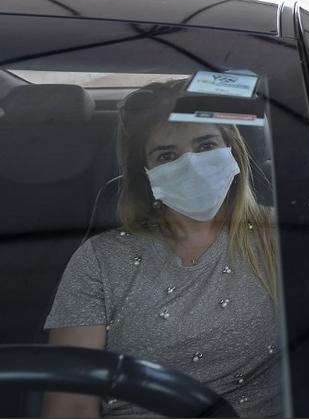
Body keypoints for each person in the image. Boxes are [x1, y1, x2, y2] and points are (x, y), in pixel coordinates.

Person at [43, 79, 281, 417]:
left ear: (232, 150)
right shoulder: (99, 260)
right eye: (167, 155)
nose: (192, 165)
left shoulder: (281, 236)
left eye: (205, 146)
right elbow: (71, 404)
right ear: (147, 173)